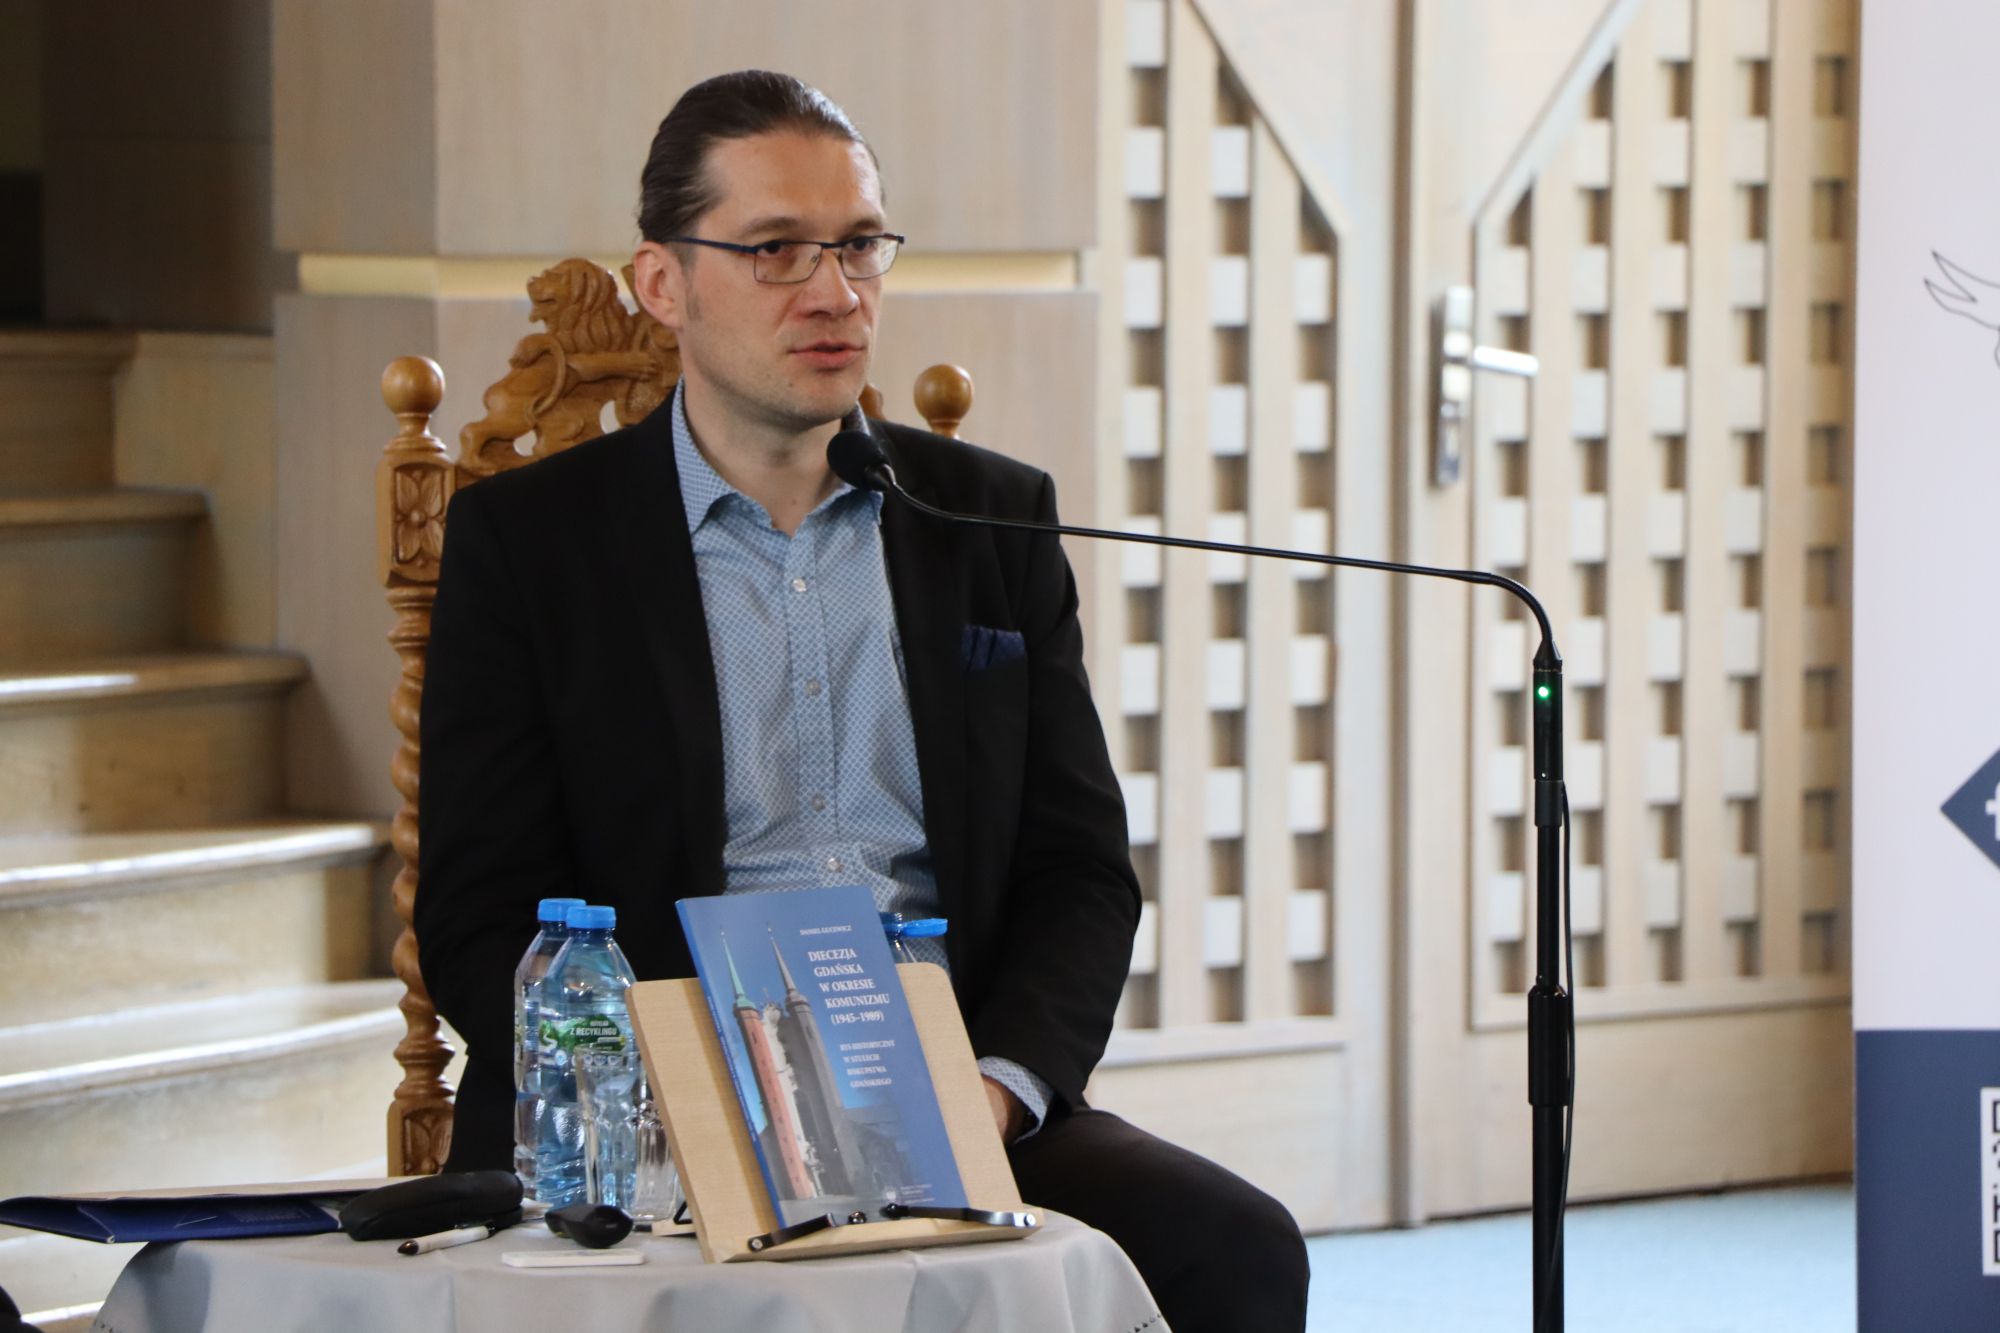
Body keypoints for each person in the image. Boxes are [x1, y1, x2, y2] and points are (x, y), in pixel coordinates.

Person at [415, 69, 1309, 1332]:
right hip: (643, 1120)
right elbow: (476, 911)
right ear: (663, 282)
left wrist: (988, 1095)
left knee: (1235, 1247)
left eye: (858, 246)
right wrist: (679, 1099)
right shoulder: (530, 543)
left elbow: (1078, 870)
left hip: (942, 1105)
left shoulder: (985, 517)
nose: (833, 292)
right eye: (776, 250)